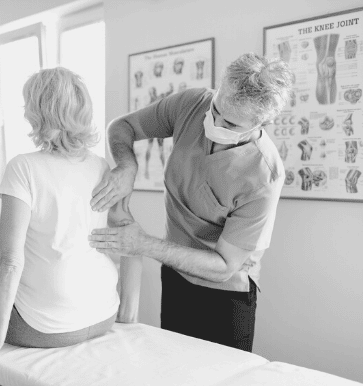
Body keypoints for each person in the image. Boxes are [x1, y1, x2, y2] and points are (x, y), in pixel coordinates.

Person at [88, 53, 295, 352]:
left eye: (231, 123)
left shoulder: (264, 175)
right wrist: (127, 167)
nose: (215, 122)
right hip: (175, 274)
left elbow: (224, 266)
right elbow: (122, 127)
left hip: (226, 295)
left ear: (262, 122)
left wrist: (142, 244)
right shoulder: (193, 104)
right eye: (217, 109)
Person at [0, 67, 140, 381]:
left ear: (41, 112)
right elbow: (130, 239)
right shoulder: (100, 165)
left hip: (47, 324)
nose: (26, 110)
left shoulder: (23, 167)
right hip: (105, 312)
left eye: (29, 103)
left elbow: (9, 260)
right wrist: (127, 315)